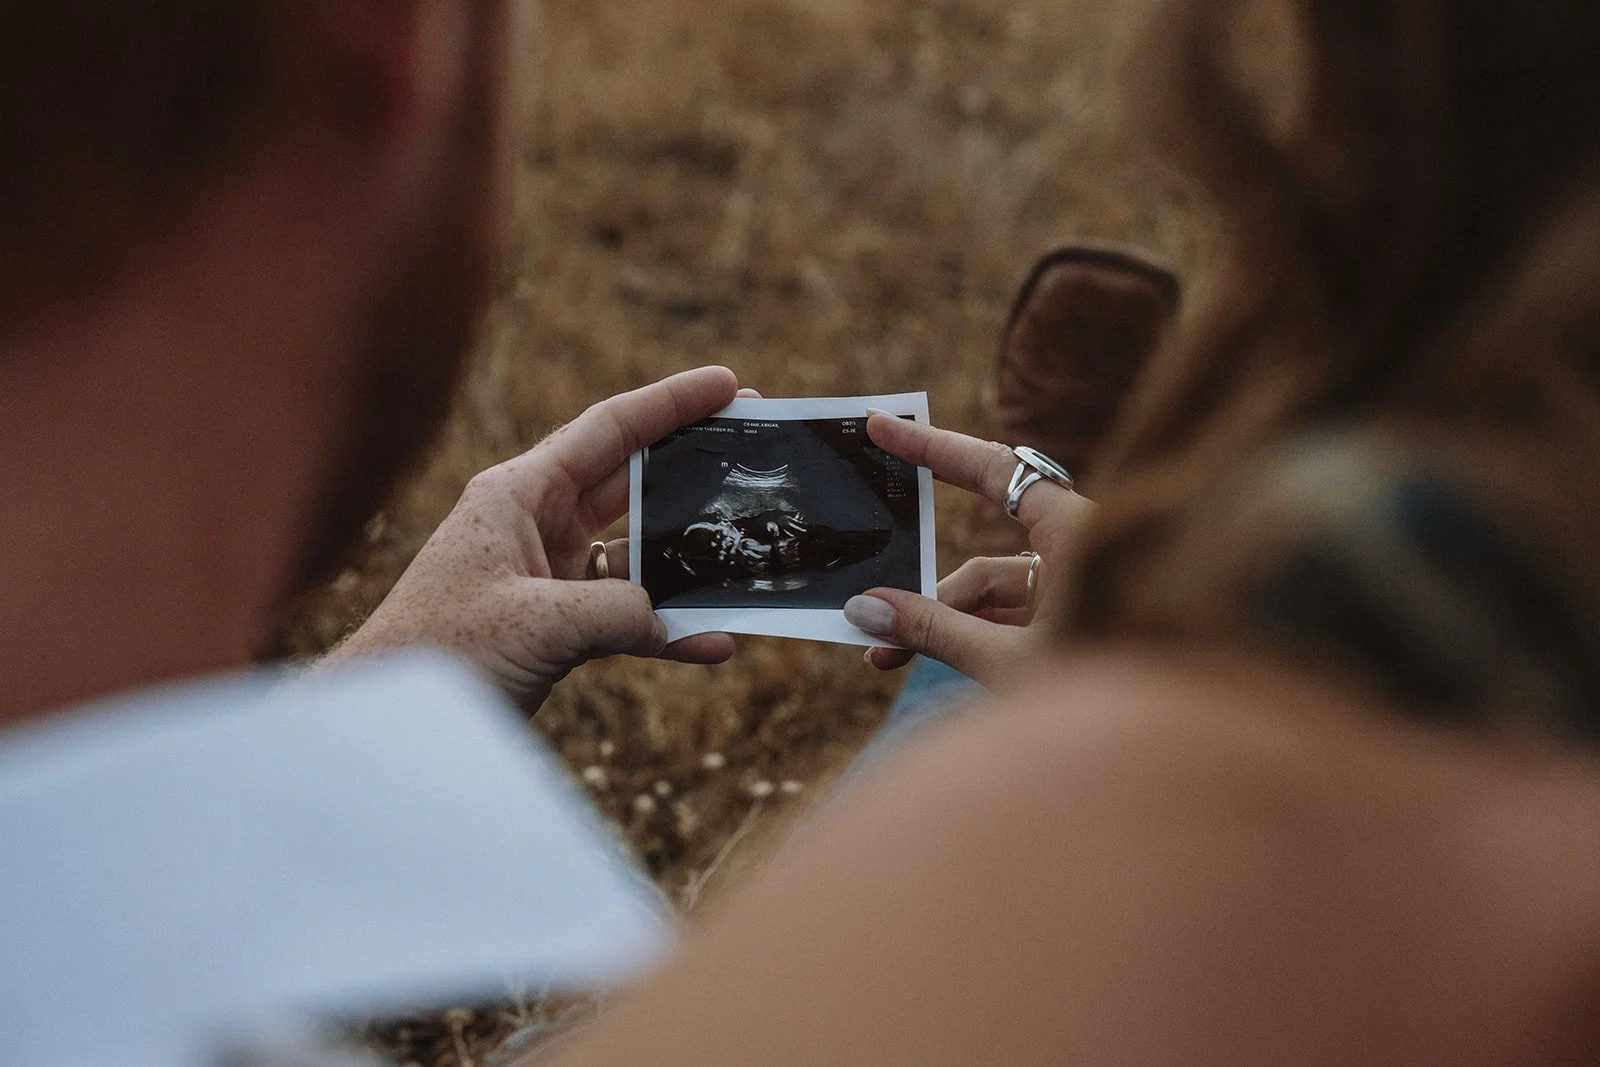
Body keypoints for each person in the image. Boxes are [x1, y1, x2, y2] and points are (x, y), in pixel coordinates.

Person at [522, 0, 1600, 1061]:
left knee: (962, 688)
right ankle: (1060, 544)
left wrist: (1130, 699)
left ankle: (992, 637)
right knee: (1004, 639)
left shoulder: (1226, 798)